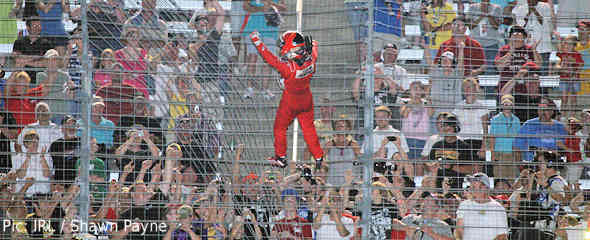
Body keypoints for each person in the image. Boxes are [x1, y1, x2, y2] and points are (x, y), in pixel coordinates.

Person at [250, 30, 324, 168]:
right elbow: (314, 47)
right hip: (306, 98)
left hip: (290, 101)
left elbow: (269, 58)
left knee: (280, 128)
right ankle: (318, 155)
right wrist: (311, 46)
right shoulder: (311, 60)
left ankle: (281, 157)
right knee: (309, 128)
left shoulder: (288, 68)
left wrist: (257, 41)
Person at [241, 0, 286, 99]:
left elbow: (283, 9)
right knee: (252, 58)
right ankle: (249, 88)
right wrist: (261, 8)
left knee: (269, 61)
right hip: (253, 29)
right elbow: (245, 6)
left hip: (271, 31)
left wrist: (271, 4)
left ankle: (265, 89)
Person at [455, 173, 509, 240]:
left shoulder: (498, 208)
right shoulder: (464, 205)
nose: (470, 190)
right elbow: (458, 230)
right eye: (471, 187)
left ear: (485, 188)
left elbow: (502, 236)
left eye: (474, 187)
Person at [514, 97, 568, 163]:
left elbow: (565, 148)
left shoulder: (560, 127)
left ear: (552, 111)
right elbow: (517, 147)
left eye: (546, 110)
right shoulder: (528, 124)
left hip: (553, 165)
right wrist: (521, 166)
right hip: (532, 164)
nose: (542, 112)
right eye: (540, 109)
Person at [512, 0, 555, 74]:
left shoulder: (545, 6)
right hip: (527, 49)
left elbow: (543, 22)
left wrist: (534, 10)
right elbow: (521, 26)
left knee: (542, 74)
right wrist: (529, 12)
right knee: (528, 74)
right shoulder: (521, 8)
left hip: (543, 48)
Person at [11, 130, 53, 197]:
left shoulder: (46, 156)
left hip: (42, 194)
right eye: (31, 141)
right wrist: (28, 158)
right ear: (26, 144)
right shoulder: (19, 157)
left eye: (36, 141)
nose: (34, 143)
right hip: (25, 194)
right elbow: (20, 176)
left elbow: (47, 175)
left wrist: (42, 158)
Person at [489, 94, 521, 179]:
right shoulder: (495, 119)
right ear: (501, 105)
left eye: (509, 104)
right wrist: (492, 154)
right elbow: (492, 137)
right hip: (499, 153)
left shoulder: (516, 120)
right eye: (505, 104)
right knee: (500, 178)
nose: (507, 106)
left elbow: (518, 138)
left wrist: (518, 154)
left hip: (512, 153)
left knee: (511, 178)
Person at [557, 35, 584, 118]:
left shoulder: (576, 54)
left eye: (570, 44)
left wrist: (576, 74)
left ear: (574, 45)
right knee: (564, 98)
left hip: (574, 79)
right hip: (564, 78)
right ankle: (563, 115)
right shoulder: (562, 53)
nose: (567, 46)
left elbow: (581, 64)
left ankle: (573, 115)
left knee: (573, 98)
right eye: (566, 44)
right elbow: (558, 54)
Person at [49, 115, 80, 187]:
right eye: (68, 125)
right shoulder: (56, 144)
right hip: (61, 183)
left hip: (78, 182)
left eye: (73, 125)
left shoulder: (82, 142)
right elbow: (58, 164)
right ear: (62, 129)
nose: (71, 128)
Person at [563, 117, 583, 183]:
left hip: (575, 162)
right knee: (572, 182)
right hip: (571, 161)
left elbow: (572, 149)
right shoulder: (569, 136)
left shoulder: (576, 136)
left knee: (572, 182)